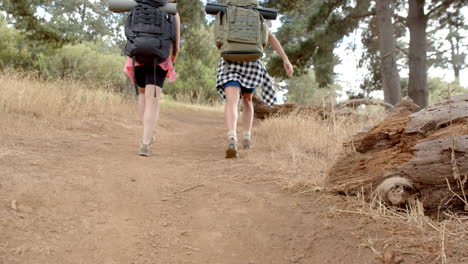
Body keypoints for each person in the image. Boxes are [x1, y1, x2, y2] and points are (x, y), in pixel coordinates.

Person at [217, 31, 294, 158]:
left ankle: (232, 137)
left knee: (232, 100)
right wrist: (285, 59)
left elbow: (218, 38)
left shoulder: (227, 11)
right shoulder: (257, 13)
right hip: (252, 60)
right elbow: (270, 36)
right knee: (247, 100)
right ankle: (246, 138)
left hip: (230, 58)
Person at [124, 12, 180, 157]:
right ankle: (145, 142)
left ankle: (145, 136)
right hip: (160, 56)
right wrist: (171, 58)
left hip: (137, 54)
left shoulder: (139, 6)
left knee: (142, 95)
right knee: (153, 99)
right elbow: (176, 40)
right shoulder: (170, 9)